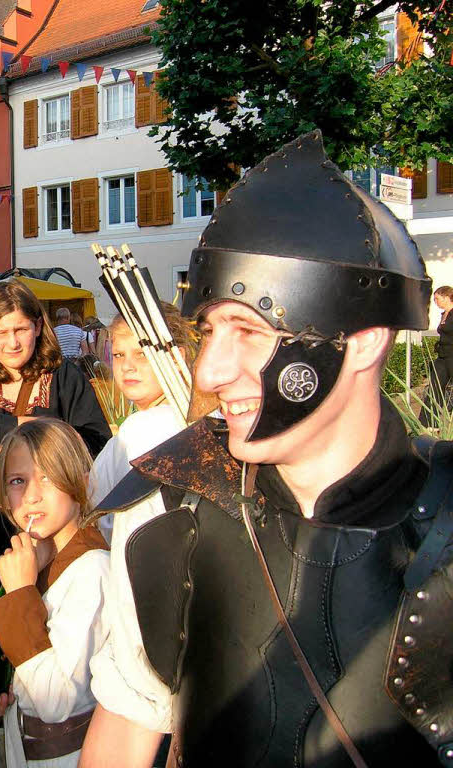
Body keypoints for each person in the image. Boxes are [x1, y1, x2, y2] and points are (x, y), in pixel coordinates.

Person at [80, 131, 450, 768]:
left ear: (362, 340)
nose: (208, 372)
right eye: (208, 330)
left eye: (248, 331)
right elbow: (124, 731)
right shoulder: (169, 508)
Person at [0, 419, 110, 767]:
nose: (31, 495)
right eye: (17, 481)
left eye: (48, 477)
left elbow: (56, 700)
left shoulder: (93, 569)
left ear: (80, 483)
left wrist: (22, 593)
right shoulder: (37, 560)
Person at [0, 280, 110, 482]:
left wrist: (33, 442)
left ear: (37, 327)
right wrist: (20, 424)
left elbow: (98, 441)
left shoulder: (64, 376)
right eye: (1, 332)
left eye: (21, 330)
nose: (13, 343)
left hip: (51, 502)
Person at [86, 306, 198, 540]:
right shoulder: (199, 416)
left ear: (178, 357)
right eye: (118, 355)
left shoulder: (145, 427)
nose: (127, 366)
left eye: (142, 354)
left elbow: (105, 523)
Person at [429, 286, 453, 416]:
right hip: (442, 356)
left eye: (437, 299)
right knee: (434, 387)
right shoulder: (444, 314)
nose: (435, 302)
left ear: (446, 297)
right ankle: (428, 424)